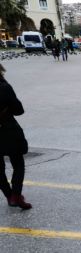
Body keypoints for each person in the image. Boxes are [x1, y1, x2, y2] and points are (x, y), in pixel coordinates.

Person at [0, 64, 31, 209]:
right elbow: (19, 110)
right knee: (18, 163)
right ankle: (16, 195)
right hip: (7, 129)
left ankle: (9, 195)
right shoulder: (4, 87)